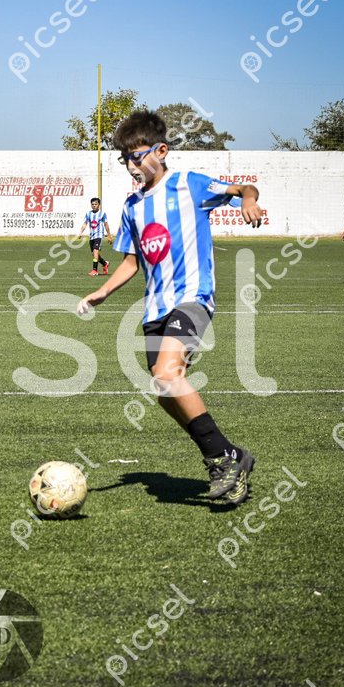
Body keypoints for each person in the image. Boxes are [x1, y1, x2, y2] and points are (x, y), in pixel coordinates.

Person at [78, 111, 262, 506]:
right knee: (164, 392)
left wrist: (249, 200)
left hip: (193, 297)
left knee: (167, 373)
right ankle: (230, 455)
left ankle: (221, 459)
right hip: (155, 310)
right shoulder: (132, 206)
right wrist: (103, 292)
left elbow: (243, 188)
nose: (131, 165)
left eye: (137, 156)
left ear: (161, 151)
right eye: (124, 159)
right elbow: (131, 261)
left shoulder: (188, 184)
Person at [78, 197, 113, 275]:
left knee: (96, 252)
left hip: (99, 235)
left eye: (96, 204)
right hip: (92, 236)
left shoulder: (102, 214)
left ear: (99, 205)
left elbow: (106, 225)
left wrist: (109, 236)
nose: (94, 205)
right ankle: (104, 264)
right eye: (92, 204)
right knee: (94, 254)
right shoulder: (88, 214)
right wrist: (80, 232)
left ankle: (95, 270)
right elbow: (85, 223)